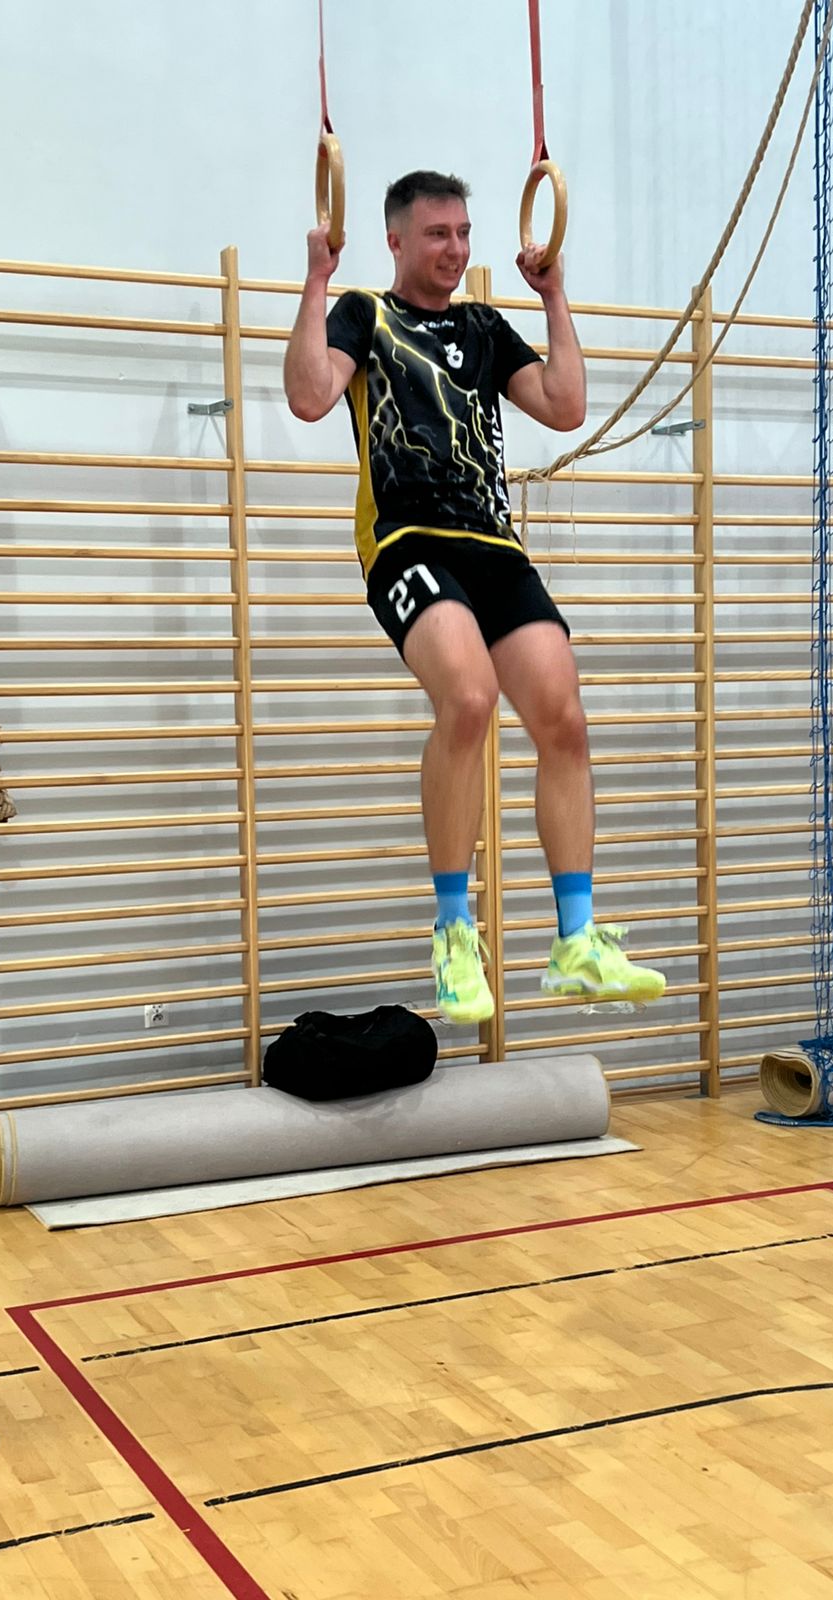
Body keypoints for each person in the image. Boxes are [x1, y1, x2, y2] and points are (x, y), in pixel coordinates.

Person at [283, 169, 665, 1025]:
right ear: (396, 240)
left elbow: (565, 406)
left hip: (492, 545)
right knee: (467, 698)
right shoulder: (364, 315)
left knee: (564, 721)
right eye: (437, 234)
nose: (455, 249)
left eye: (462, 232)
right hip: (407, 541)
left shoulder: (484, 328)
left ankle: (576, 942)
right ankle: (455, 932)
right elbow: (309, 396)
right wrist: (315, 278)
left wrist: (554, 295)